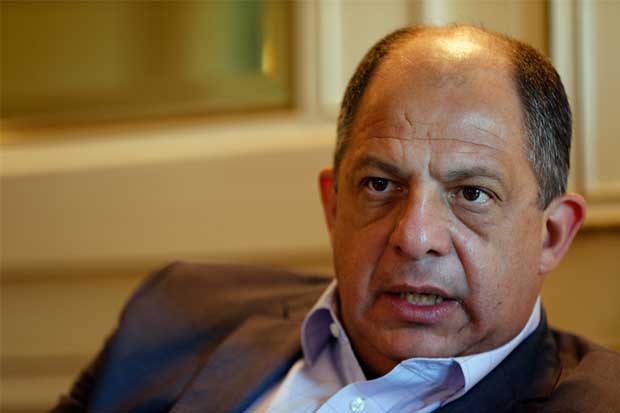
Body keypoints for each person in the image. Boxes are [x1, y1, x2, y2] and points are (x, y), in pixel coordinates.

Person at [52, 25, 619, 413]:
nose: (415, 237)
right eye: (379, 185)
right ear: (334, 205)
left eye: (471, 194)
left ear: (551, 235)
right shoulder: (173, 313)